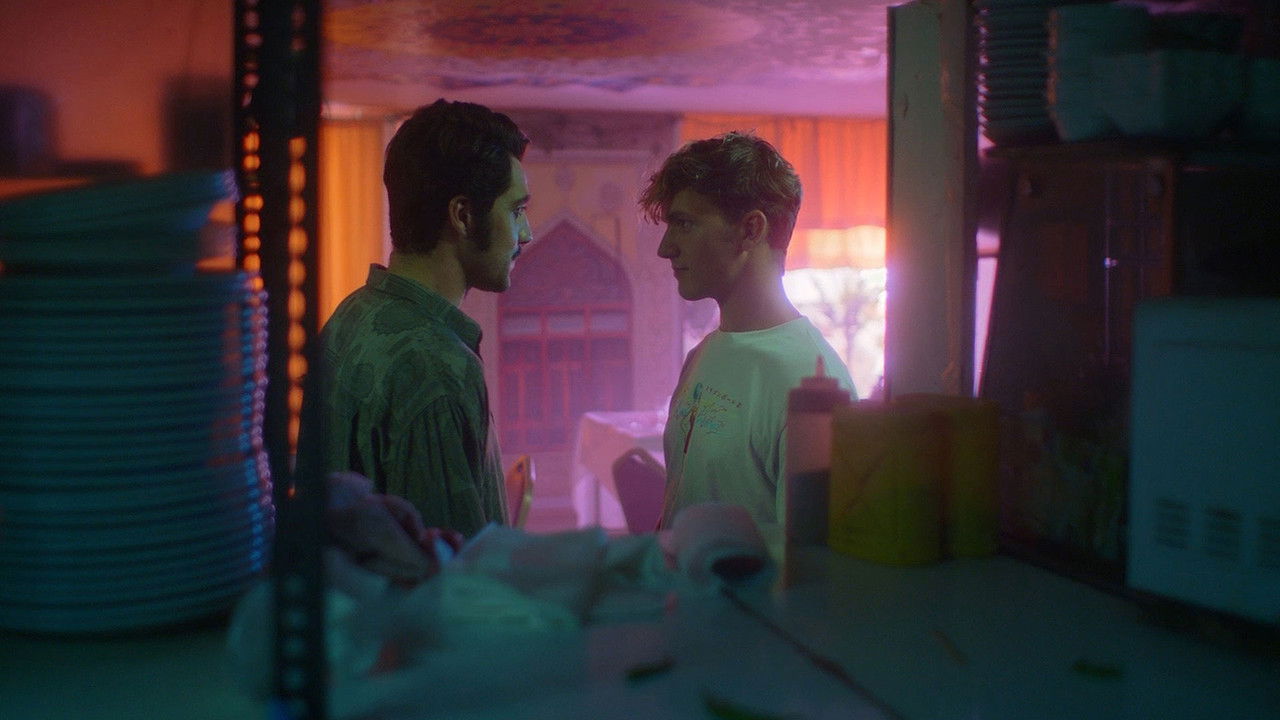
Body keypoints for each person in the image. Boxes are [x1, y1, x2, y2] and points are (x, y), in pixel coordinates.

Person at [296, 99, 532, 538]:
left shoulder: (353, 314)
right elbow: (455, 569)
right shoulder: (435, 367)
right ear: (463, 216)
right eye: (516, 211)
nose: (526, 233)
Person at [639, 132, 856, 550]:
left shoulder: (811, 384)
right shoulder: (704, 353)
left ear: (750, 230)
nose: (666, 248)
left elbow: (813, 561)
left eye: (685, 224)